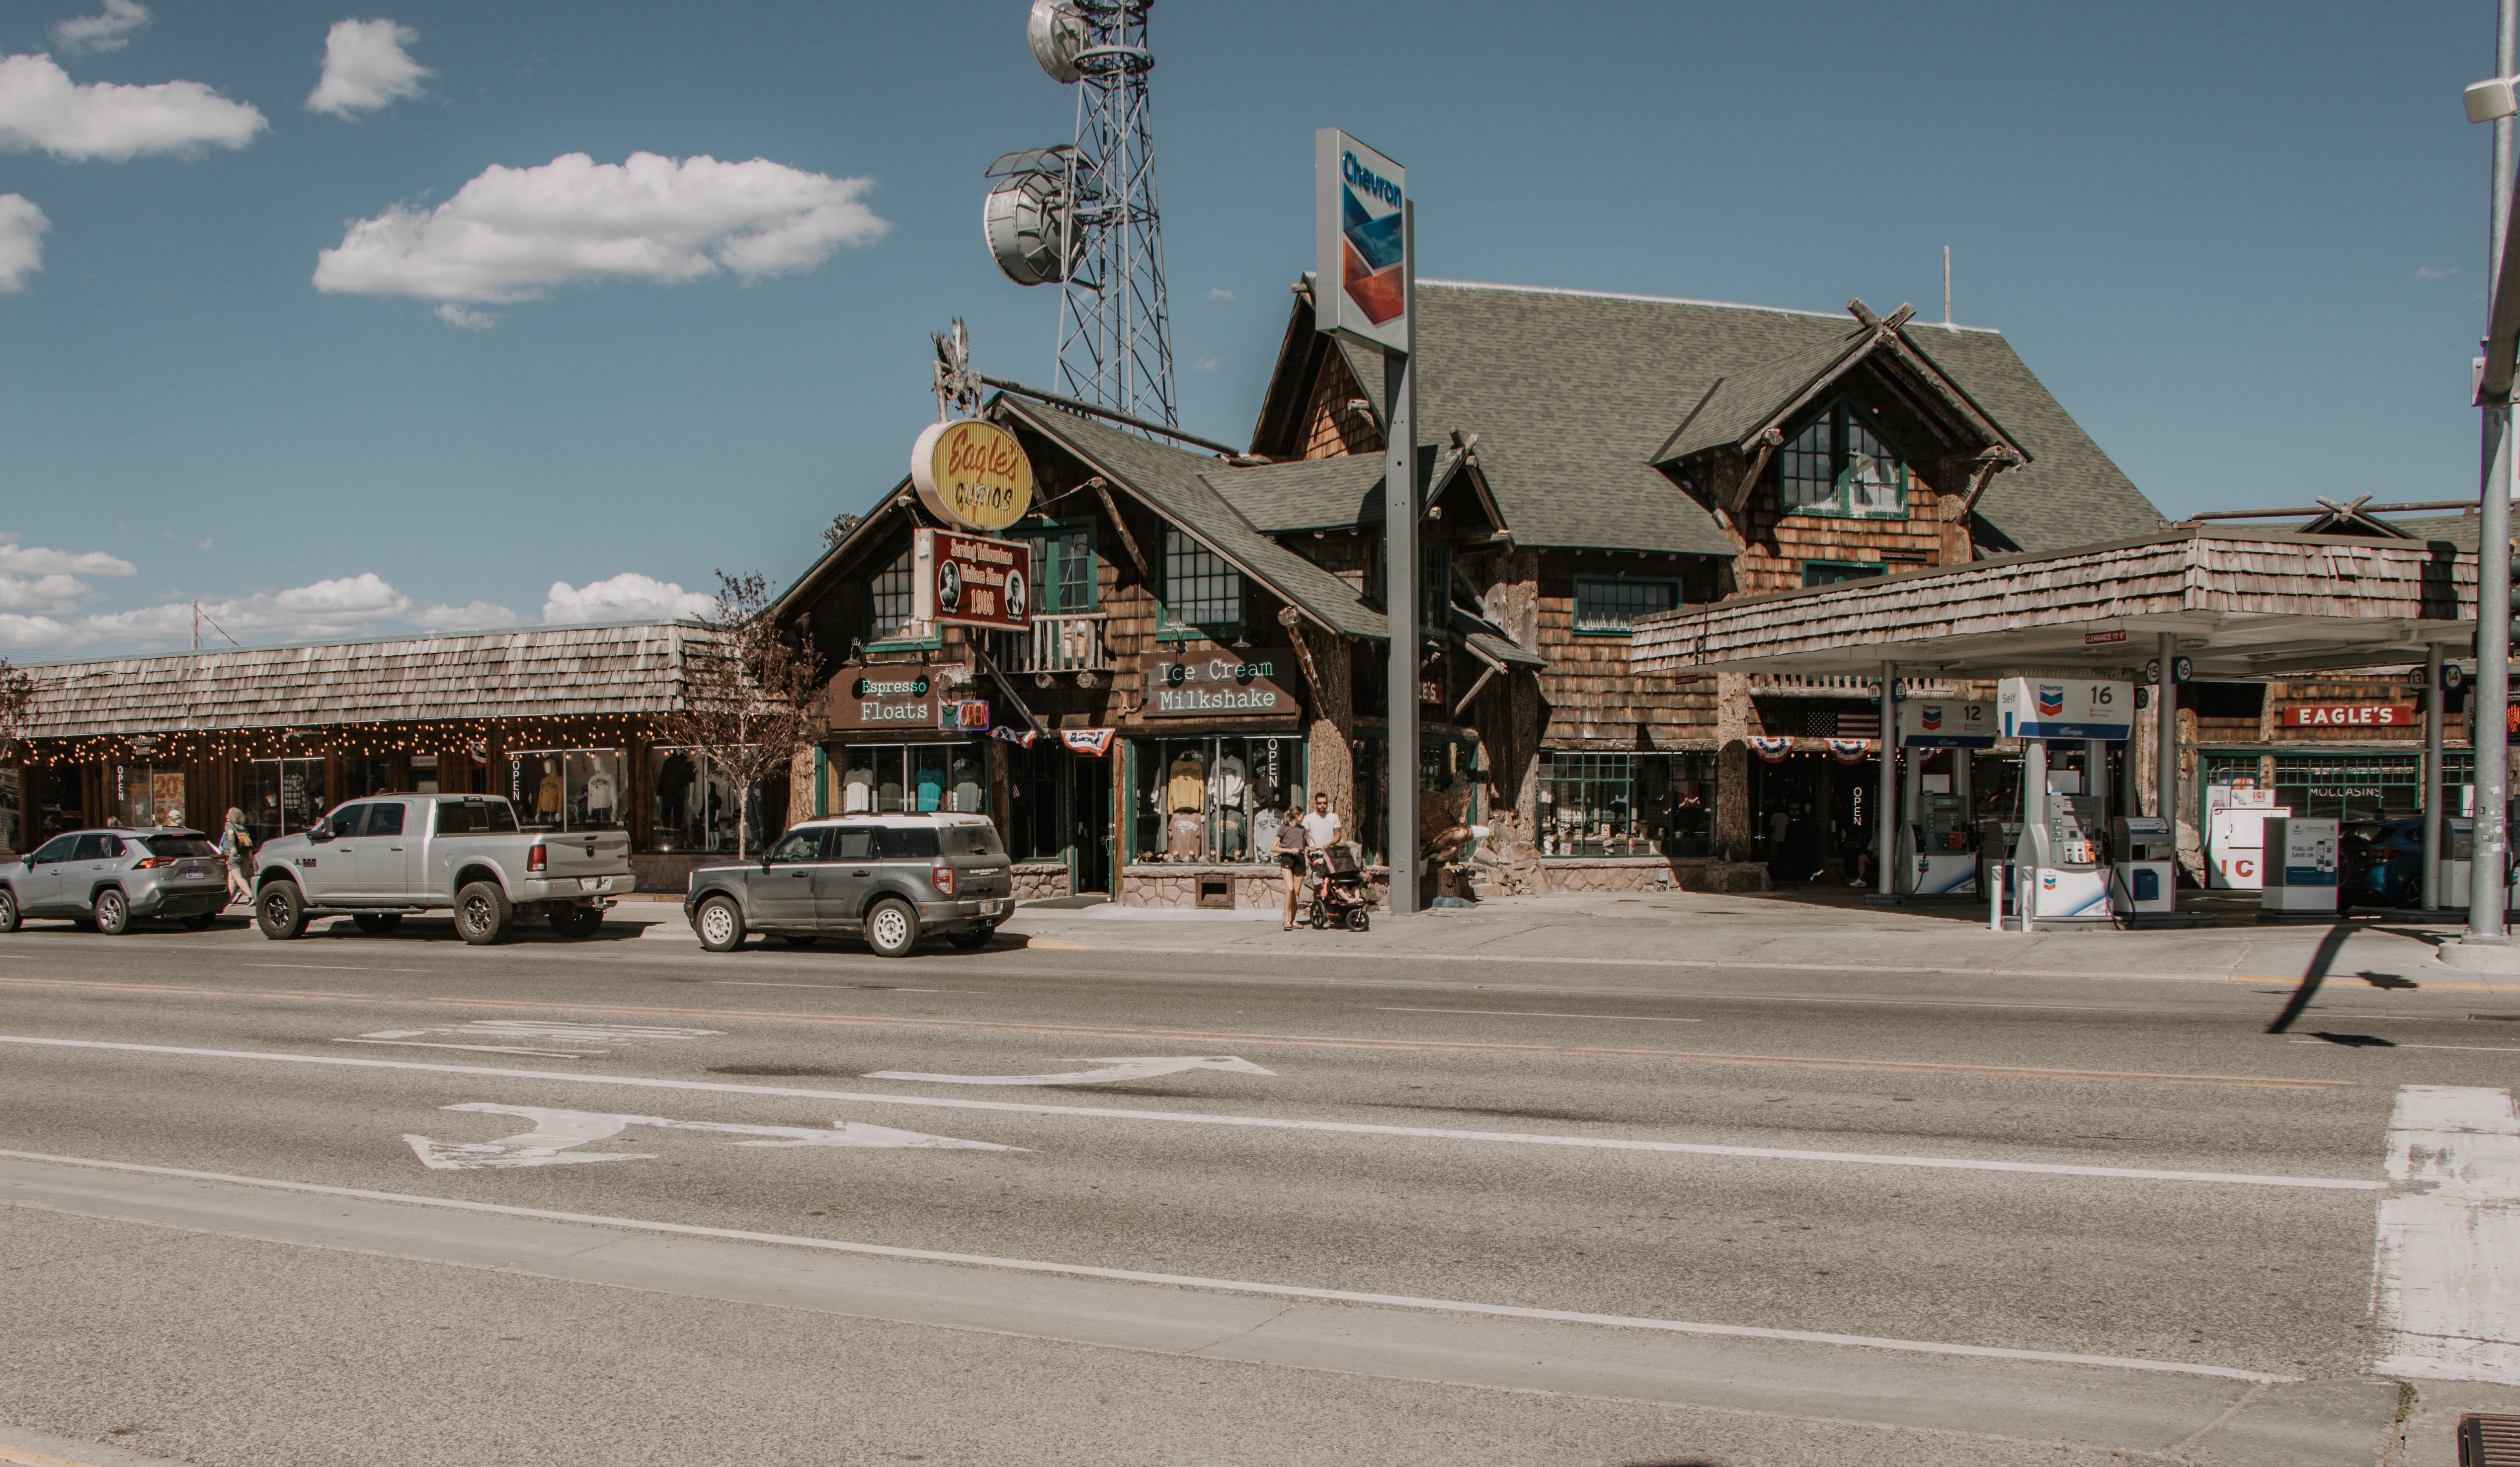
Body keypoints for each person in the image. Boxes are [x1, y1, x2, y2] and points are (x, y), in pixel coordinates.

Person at [1273, 803, 1309, 930]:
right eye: (1302, 815)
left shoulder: (1302, 829)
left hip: (1299, 859)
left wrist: (1312, 849)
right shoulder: (1284, 828)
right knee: (1290, 888)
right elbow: (1274, 848)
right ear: (1297, 816)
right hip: (1287, 858)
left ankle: (1294, 919)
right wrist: (1289, 850)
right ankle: (1286, 919)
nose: (1303, 817)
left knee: (1297, 891)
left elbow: (1305, 846)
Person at [219, 807, 252, 910]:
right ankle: (229, 900)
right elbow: (249, 843)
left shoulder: (229, 826)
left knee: (237, 877)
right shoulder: (242, 828)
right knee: (232, 878)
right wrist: (250, 858)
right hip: (244, 855)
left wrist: (233, 847)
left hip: (233, 855)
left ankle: (251, 895)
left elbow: (230, 834)